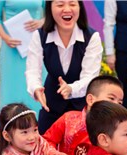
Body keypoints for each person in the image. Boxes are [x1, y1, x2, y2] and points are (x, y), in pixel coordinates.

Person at [26, 0, 102, 133]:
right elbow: (33, 70)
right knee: (47, 143)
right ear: (50, 8)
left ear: (80, 7)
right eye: (60, 5)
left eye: (72, 4)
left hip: (81, 109)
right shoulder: (40, 35)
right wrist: (36, 88)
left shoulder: (92, 37)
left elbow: (90, 77)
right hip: (51, 106)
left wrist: (71, 89)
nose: (67, 9)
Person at [0, 0, 45, 116]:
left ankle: (40, 119)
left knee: (38, 82)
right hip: (12, 47)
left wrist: (41, 22)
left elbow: (51, 12)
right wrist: (5, 37)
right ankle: (10, 120)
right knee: (12, 85)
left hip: (35, 44)